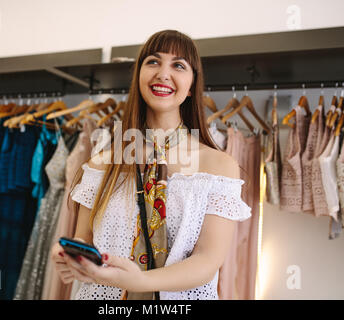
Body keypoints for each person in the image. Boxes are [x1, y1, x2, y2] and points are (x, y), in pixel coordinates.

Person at [50, 30, 251, 300]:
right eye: (153, 62)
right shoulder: (102, 162)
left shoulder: (218, 166)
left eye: (178, 65)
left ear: (191, 85)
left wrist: (140, 280)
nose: (163, 73)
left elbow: (207, 260)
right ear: (139, 76)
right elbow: (84, 242)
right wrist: (68, 257)